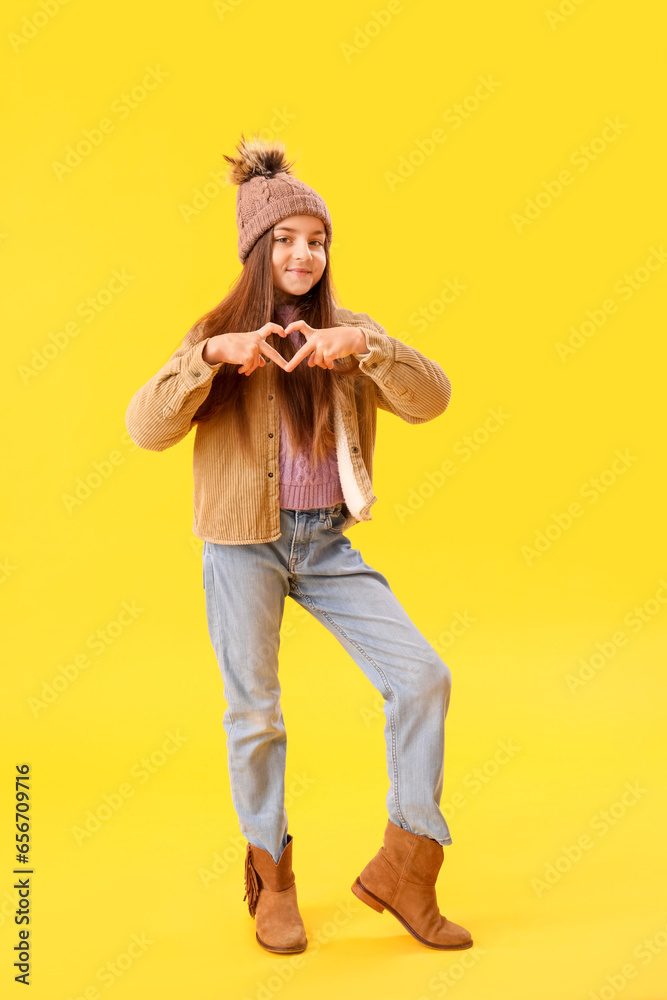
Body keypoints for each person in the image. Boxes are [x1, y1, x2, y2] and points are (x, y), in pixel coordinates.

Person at [125, 133, 473, 955]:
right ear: (255, 251)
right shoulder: (214, 335)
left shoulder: (349, 333)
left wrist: (371, 348)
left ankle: (406, 867)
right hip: (240, 547)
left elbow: (433, 400)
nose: (302, 253)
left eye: (315, 240)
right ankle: (271, 881)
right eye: (284, 239)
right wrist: (211, 357)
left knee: (422, 677)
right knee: (255, 715)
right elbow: (145, 429)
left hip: (322, 546)